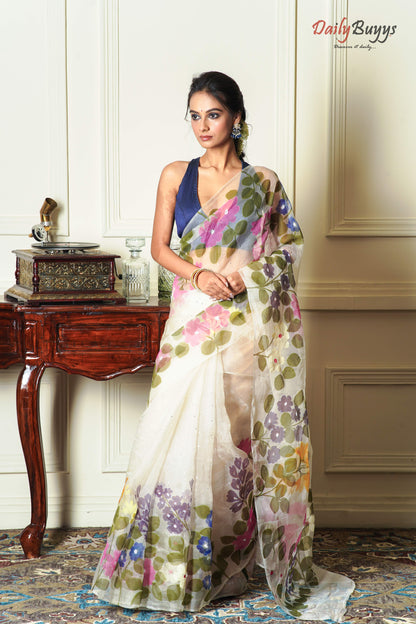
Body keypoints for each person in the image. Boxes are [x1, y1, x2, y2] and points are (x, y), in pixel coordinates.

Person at [91, 71, 354, 621]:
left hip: (244, 326)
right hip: (192, 319)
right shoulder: (175, 174)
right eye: (194, 115)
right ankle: (168, 566)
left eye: (212, 114)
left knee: (231, 442)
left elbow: (290, 248)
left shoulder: (263, 182)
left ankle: (225, 562)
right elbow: (160, 248)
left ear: (236, 117)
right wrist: (199, 275)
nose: (202, 126)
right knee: (174, 430)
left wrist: (244, 277)